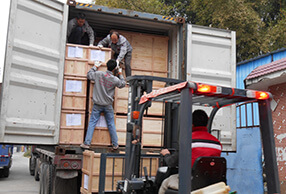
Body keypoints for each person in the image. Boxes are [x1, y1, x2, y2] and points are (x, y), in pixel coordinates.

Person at [158, 109, 222, 194]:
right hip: (211, 183)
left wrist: (166, 154)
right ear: (207, 124)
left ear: (191, 124)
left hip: (191, 183)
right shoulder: (217, 143)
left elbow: (172, 162)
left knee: (165, 183)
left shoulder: (188, 140)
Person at [80, 59, 126, 150]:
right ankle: (115, 144)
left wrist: (95, 67)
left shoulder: (99, 74)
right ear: (114, 69)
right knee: (111, 124)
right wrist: (120, 74)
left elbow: (89, 75)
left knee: (92, 123)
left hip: (97, 104)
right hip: (108, 105)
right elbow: (123, 84)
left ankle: (87, 143)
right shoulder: (114, 79)